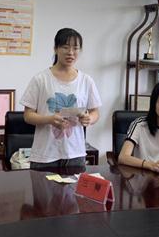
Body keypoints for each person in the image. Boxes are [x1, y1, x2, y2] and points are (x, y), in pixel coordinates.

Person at [22, 28, 101, 169]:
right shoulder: (40, 79)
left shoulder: (86, 80)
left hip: (75, 155)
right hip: (45, 155)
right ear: (56, 49)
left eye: (75, 48)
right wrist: (49, 119)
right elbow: (28, 116)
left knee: (77, 185)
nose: (71, 52)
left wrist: (89, 118)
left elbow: (95, 112)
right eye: (65, 47)